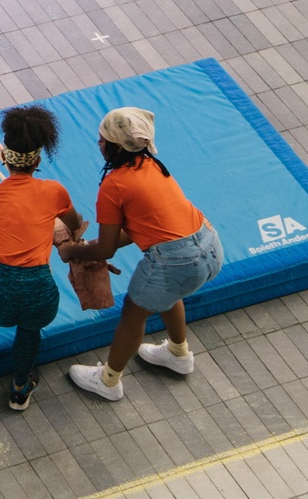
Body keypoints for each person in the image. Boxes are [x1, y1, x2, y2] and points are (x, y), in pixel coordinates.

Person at [62, 107, 224, 401]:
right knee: (168, 293)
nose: (98, 143)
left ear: (116, 146)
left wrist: (71, 250)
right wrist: (90, 249)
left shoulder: (113, 185)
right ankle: (178, 354)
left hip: (176, 263)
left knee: (133, 313)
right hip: (210, 245)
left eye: (102, 140)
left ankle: (108, 382)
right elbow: (136, 231)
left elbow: (108, 248)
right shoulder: (153, 164)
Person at [0, 106, 83, 415]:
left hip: (1, 286)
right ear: (38, 160)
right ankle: (20, 390)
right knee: (28, 330)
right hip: (40, 289)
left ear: (3, 157)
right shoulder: (53, 190)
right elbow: (75, 224)